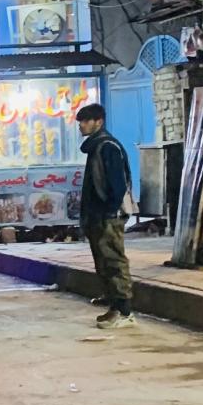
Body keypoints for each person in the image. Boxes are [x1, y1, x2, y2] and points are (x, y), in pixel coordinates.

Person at [78, 103, 134, 329]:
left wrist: (110, 210)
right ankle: (113, 303)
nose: (81, 125)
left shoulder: (108, 147)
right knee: (103, 261)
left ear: (98, 122)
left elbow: (117, 185)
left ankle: (124, 311)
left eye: (85, 121)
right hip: (97, 215)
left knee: (114, 261)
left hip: (108, 215)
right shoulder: (96, 147)